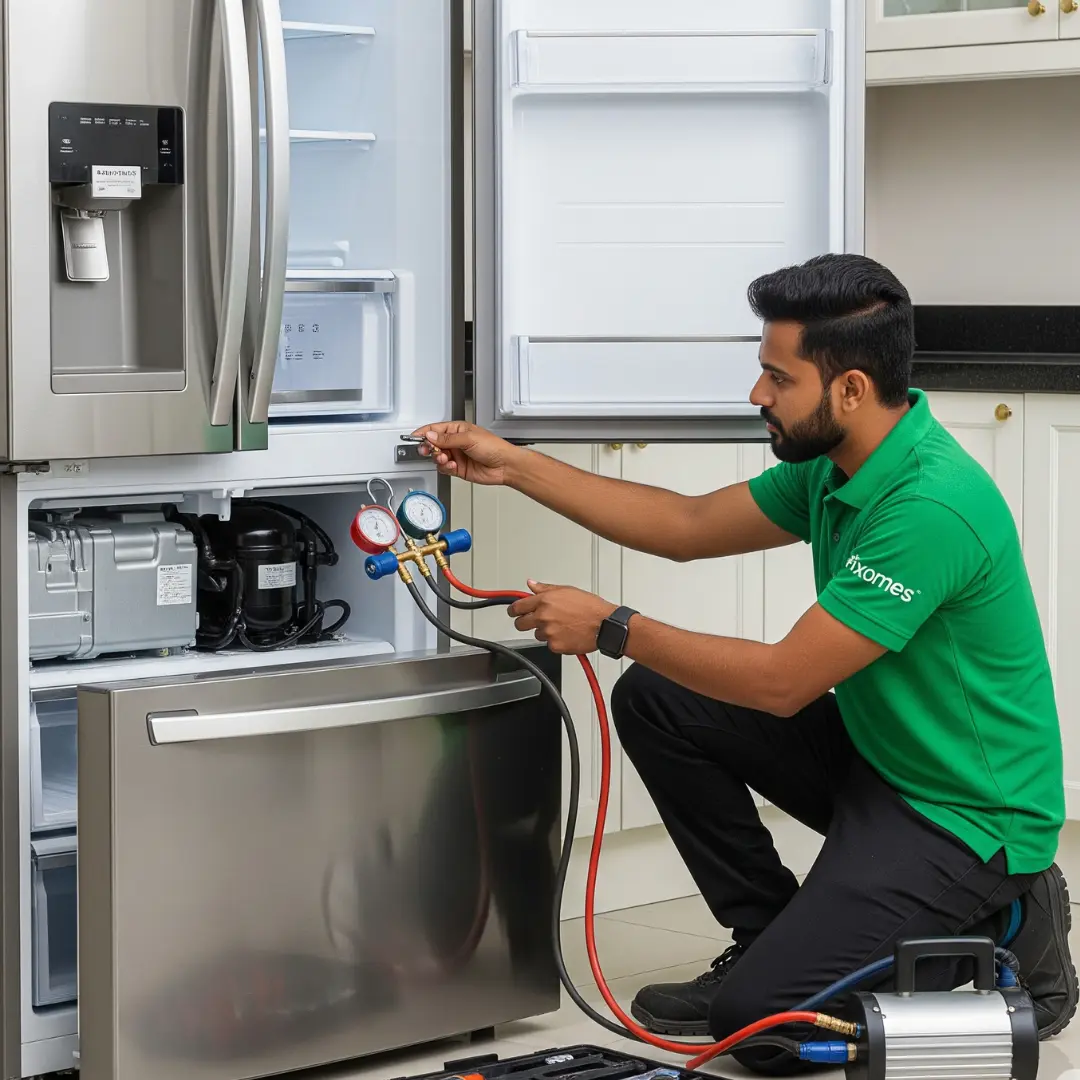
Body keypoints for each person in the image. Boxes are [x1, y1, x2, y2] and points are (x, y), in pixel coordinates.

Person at [414, 253, 1074, 1073]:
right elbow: (687, 526)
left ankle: (1008, 922)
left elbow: (783, 681)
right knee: (659, 697)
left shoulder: (930, 505)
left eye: (778, 377)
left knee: (759, 1030)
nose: (758, 393)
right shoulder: (838, 466)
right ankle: (766, 934)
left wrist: (611, 625)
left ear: (851, 389)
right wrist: (512, 464)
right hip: (885, 761)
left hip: (966, 815)